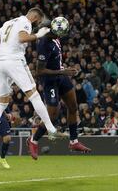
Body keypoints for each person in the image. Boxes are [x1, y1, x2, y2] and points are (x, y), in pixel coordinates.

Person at [0, 7, 67, 151]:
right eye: (37, 22)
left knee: (2, 103)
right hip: (15, 61)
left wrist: (2, 54)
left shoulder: (9, 22)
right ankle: (51, 130)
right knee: (34, 95)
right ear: (34, 17)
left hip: (1, 63)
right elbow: (22, 38)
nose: (35, 25)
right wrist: (37, 35)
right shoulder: (25, 22)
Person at [27, 25, 91, 160]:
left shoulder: (55, 37)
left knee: (73, 106)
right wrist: (63, 71)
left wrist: (63, 71)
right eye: (58, 34)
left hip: (61, 77)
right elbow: (39, 71)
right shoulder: (44, 44)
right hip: (49, 81)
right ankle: (33, 140)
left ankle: (74, 142)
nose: (59, 37)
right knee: (52, 115)